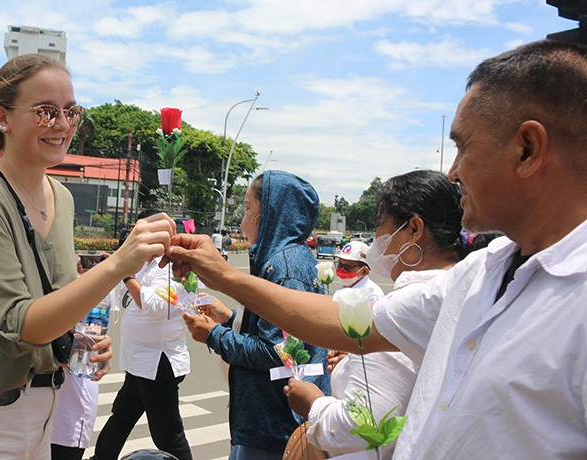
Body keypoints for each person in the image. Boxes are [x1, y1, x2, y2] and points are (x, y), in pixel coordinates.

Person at [166, 40, 587, 458]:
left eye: (463, 146)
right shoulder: (481, 273)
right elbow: (355, 325)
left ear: (527, 148)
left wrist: (316, 402)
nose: (454, 172)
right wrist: (223, 276)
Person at [0, 53, 174, 460]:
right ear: (3, 118)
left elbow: (58, 304)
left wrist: (78, 339)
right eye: (45, 111)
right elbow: (17, 327)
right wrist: (118, 264)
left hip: (45, 413)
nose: (63, 125)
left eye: (71, 111)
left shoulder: (63, 198)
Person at [283, 170, 463, 458]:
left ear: (414, 229)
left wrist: (314, 403)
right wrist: (354, 362)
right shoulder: (467, 289)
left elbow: (360, 427)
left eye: (381, 226)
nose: (377, 239)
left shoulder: (407, 308)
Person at [183, 171, 330, 460]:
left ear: (270, 213)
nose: (242, 219)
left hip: (273, 425)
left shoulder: (285, 268)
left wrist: (213, 335)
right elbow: (277, 331)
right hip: (266, 420)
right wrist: (229, 317)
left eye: (249, 208)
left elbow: (278, 352)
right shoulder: (283, 260)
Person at [94, 208, 192, 460]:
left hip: (158, 362)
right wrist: (104, 268)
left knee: (167, 435)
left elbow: (155, 306)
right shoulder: (144, 263)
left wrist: (125, 273)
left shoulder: (171, 266)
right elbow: (118, 292)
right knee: (122, 417)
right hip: (140, 361)